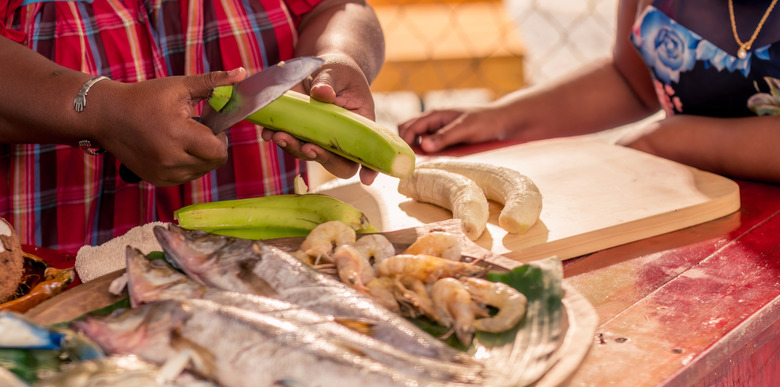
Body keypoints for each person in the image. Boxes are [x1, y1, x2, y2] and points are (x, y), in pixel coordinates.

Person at [0, 0, 384, 252]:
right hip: (48, 274)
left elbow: (338, 7)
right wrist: (100, 110)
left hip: (262, 273)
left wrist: (339, 56)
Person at [398, 0, 780, 184]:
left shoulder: (669, 144)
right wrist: (500, 119)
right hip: (690, 207)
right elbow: (631, 81)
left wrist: (676, 141)